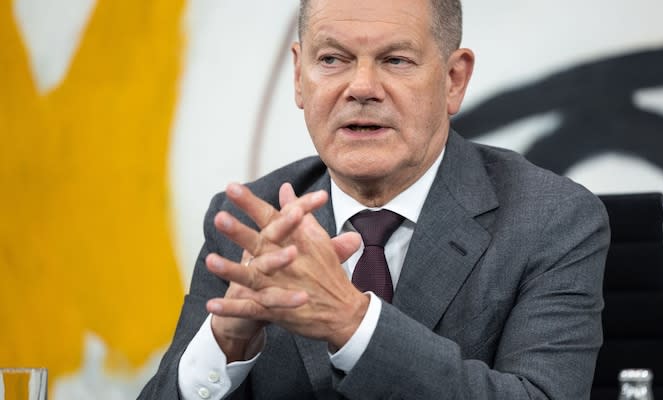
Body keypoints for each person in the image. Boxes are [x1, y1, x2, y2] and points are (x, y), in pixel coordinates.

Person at [139, 0, 610, 398]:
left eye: (395, 60)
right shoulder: (247, 219)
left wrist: (351, 321)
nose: (361, 87)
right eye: (332, 60)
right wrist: (225, 346)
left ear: (453, 79)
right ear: (300, 78)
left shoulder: (551, 219)